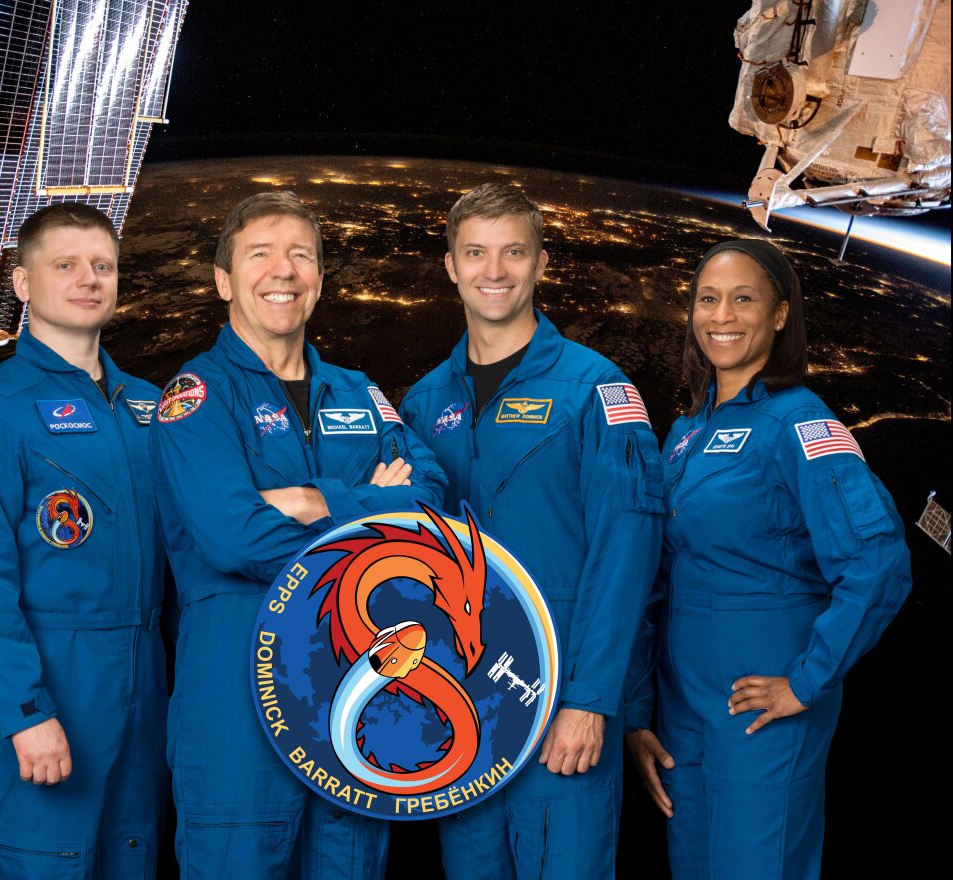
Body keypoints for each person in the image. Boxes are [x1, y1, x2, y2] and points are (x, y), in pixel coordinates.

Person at [150, 191, 447, 879]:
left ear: (318, 280)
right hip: (238, 701)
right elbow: (237, 539)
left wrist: (319, 499)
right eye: (260, 255)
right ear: (224, 280)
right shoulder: (195, 397)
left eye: (301, 256)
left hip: (354, 693)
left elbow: (429, 497)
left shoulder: (358, 391)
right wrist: (378, 511)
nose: (282, 271)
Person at [398, 183, 664, 880]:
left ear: (541, 263)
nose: (495, 271)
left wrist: (591, 698)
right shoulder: (424, 402)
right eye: (476, 253)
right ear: (451, 266)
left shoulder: (596, 391)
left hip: (559, 702)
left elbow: (626, 556)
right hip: (460, 704)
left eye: (514, 252)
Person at [624, 239, 912, 880]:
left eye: (744, 298)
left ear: (780, 315)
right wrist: (638, 713)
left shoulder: (800, 426)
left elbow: (878, 560)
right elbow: (656, 576)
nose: (721, 315)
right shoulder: (686, 432)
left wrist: (807, 682)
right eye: (707, 299)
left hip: (760, 707)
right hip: (683, 708)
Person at [0, 203, 169, 877]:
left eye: (103, 266)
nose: (88, 279)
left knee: (130, 854)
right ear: (24, 283)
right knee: (43, 860)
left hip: (144, 673)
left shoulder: (150, 408)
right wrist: (26, 712)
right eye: (65, 264)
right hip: (54, 676)